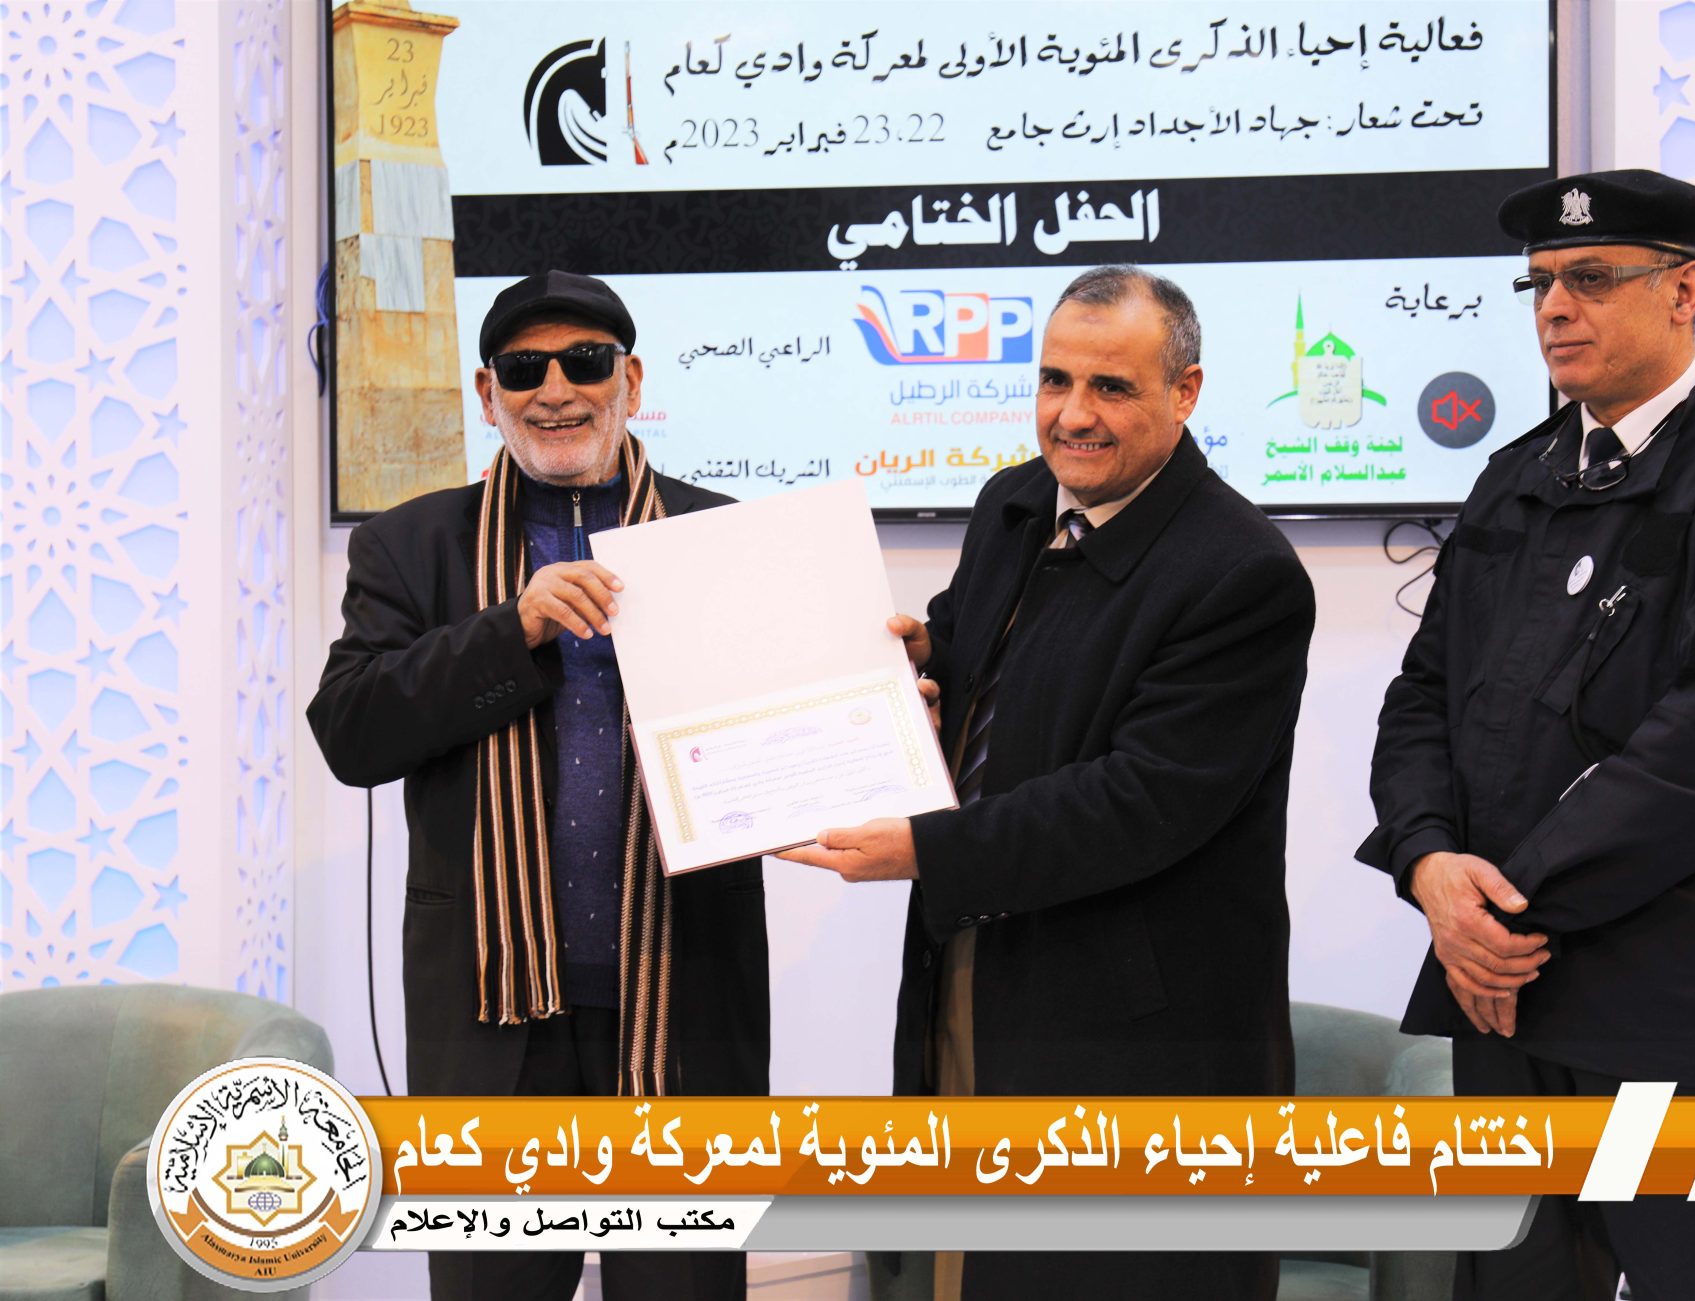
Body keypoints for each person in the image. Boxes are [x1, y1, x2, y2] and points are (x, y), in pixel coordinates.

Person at [1357, 169, 1695, 1300]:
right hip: (1502, 995)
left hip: (1664, 1002)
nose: (1554, 307)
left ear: (1685, 291)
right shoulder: (1515, 479)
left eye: (1590, 278)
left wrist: (1500, 911)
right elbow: (1422, 698)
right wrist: (1429, 865)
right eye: (1540, 283)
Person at [783, 265, 1316, 1300]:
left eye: (1111, 387)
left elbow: (1141, 800)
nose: (1073, 415)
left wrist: (923, 848)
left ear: (1185, 392)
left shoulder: (1241, 572)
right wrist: (918, 668)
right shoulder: (1017, 503)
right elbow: (982, 655)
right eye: (1054, 380)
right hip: (981, 966)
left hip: (1135, 1036)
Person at [306, 270, 767, 1301]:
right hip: (492, 1006)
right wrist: (508, 628)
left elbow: (784, 730)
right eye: (524, 369)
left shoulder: (722, 536)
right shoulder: (412, 545)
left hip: (681, 997)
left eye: (585, 362)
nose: (555, 389)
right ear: (488, 394)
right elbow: (350, 731)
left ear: (630, 381)